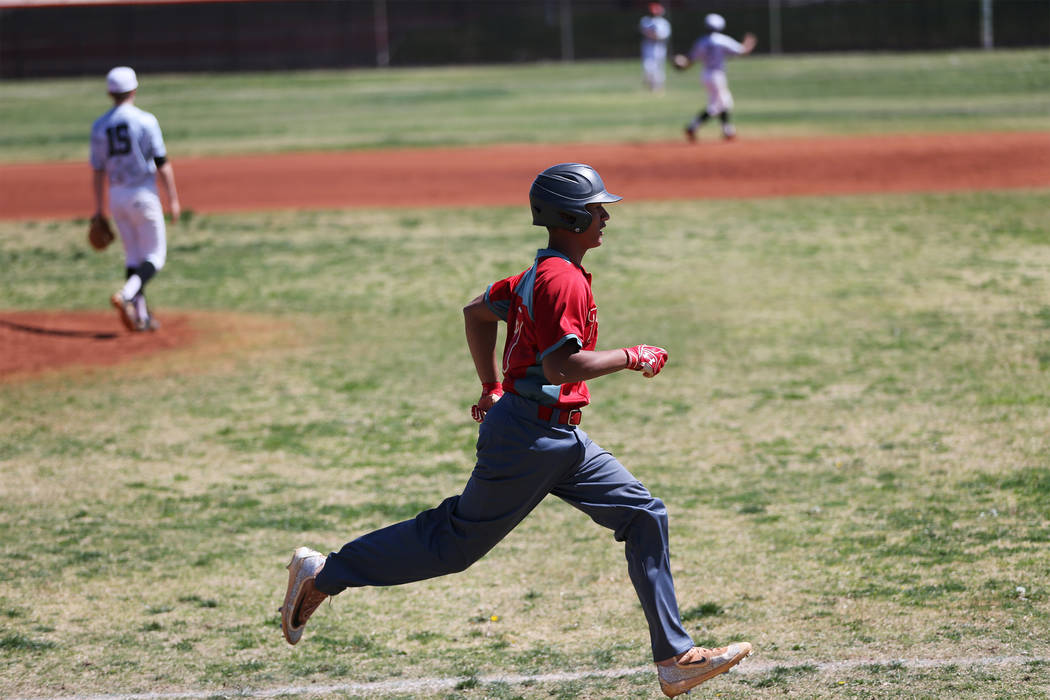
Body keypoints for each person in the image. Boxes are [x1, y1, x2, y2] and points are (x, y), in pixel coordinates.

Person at [279, 163, 753, 698]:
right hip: (527, 440)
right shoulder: (561, 281)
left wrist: (490, 385)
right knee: (452, 546)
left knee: (644, 513)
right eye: (598, 209)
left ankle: (673, 658)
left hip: (561, 439)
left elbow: (476, 312)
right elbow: (561, 369)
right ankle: (324, 574)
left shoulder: (537, 274)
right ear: (571, 215)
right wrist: (630, 355)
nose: (605, 218)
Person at [90, 66, 180, 332]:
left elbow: (97, 171)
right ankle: (127, 296)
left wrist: (98, 210)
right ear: (134, 90)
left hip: (116, 195)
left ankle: (141, 317)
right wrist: (173, 198)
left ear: (110, 92)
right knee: (155, 256)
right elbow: (161, 162)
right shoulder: (146, 120)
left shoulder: (100, 126)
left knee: (133, 257)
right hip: (143, 193)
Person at [673, 13, 757, 142]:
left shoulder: (701, 41)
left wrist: (681, 64)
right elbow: (742, 51)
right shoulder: (722, 39)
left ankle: (727, 130)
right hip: (717, 75)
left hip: (706, 75)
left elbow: (690, 60)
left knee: (723, 102)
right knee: (717, 105)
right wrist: (750, 41)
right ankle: (693, 126)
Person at [639, 2, 672, 93]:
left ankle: (658, 87)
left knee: (659, 67)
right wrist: (653, 33)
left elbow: (664, 35)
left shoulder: (664, 23)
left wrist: (656, 35)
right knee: (648, 66)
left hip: (659, 46)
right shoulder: (646, 20)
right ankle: (650, 83)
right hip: (648, 45)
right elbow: (646, 32)